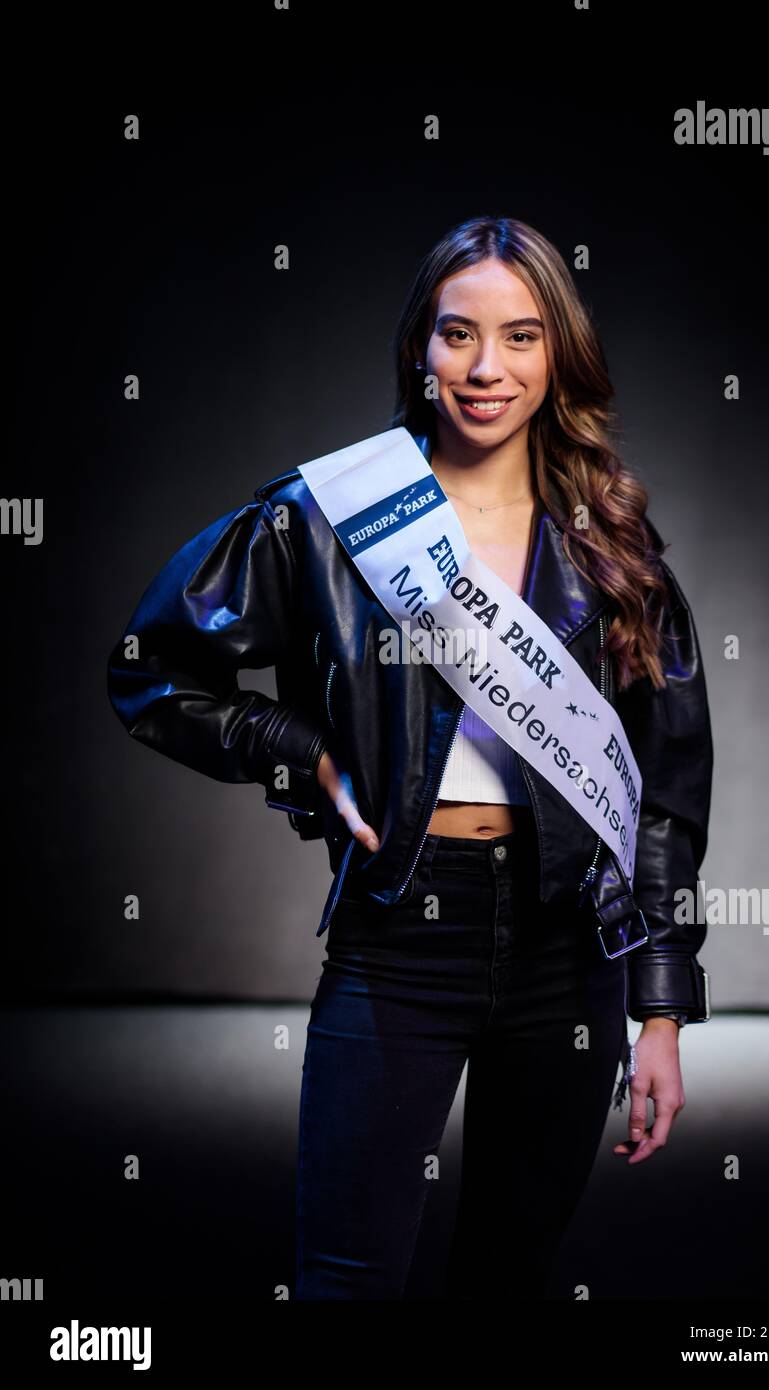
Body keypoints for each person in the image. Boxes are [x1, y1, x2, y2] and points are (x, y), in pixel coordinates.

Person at [106, 214, 713, 1300]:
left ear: (556, 354)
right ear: (417, 351)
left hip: (567, 946)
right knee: (345, 1283)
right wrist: (300, 756)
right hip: (399, 933)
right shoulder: (330, 519)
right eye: (456, 335)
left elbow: (661, 796)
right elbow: (147, 670)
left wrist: (658, 1005)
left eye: (520, 337)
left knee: (507, 1278)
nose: (486, 368)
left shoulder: (608, 543)